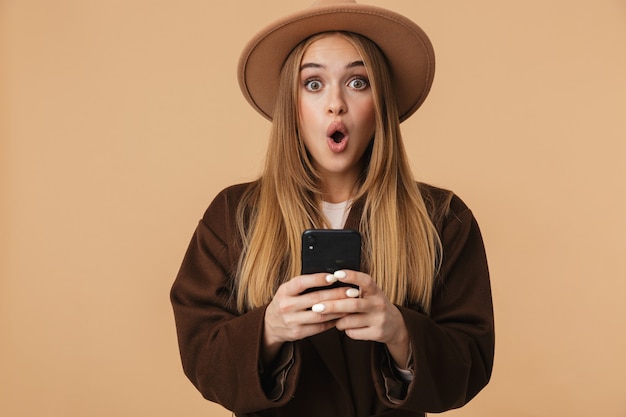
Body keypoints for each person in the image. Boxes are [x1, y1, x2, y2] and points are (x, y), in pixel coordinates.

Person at [170, 1, 494, 416]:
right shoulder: (234, 214)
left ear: (381, 106)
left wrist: (400, 335)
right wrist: (268, 330)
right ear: (292, 105)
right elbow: (200, 353)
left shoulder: (443, 217)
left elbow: (472, 362)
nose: (335, 103)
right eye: (313, 84)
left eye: (358, 82)